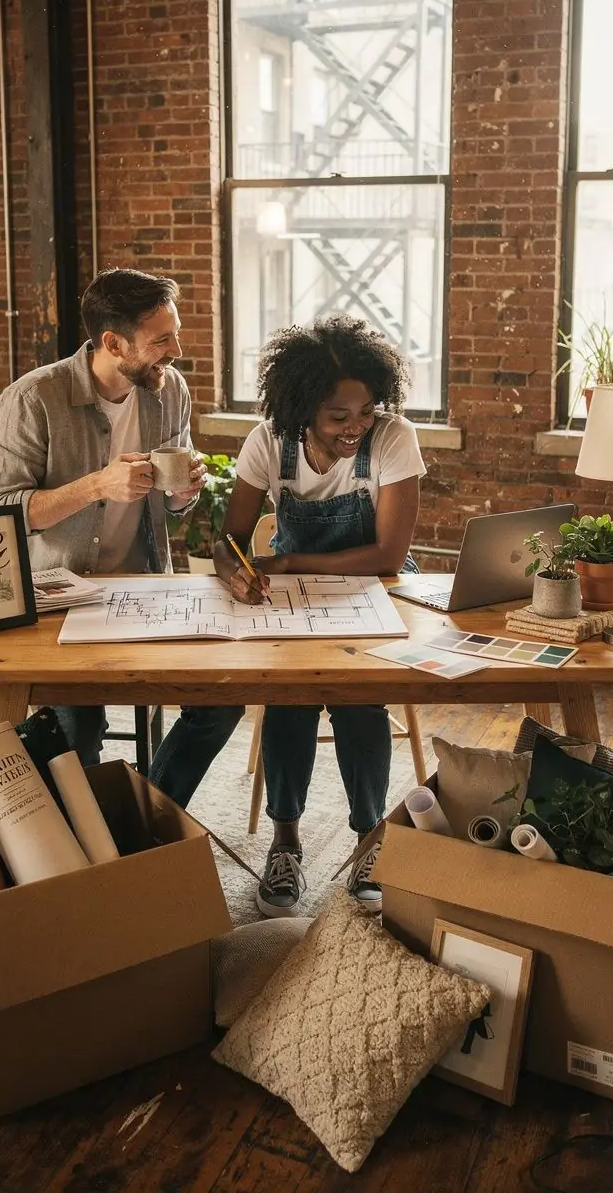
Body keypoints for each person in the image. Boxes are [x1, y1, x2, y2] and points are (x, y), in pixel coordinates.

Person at [150, 314, 425, 917]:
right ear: (302, 410)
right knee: (288, 702)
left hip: (367, 601)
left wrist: (288, 558)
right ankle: (286, 841)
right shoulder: (270, 441)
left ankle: (369, 840)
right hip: (290, 608)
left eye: (365, 411)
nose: (356, 427)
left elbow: (388, 555)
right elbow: (230, 542)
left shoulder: (393, 437)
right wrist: (238, 570)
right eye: (338, 416)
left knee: (361, 707)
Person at [0, 267, 205, 764]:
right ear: (114, 342)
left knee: (219, 698)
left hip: (146, 591)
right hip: (57, 600)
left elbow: (171, 501)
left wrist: (184, 490)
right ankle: (88, 829)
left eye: (177, 334)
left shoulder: (170, 391)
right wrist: (97, 485)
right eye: (162, 339)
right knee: (79, 734)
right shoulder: (32, 400)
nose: (177, 350)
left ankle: (154, 806)